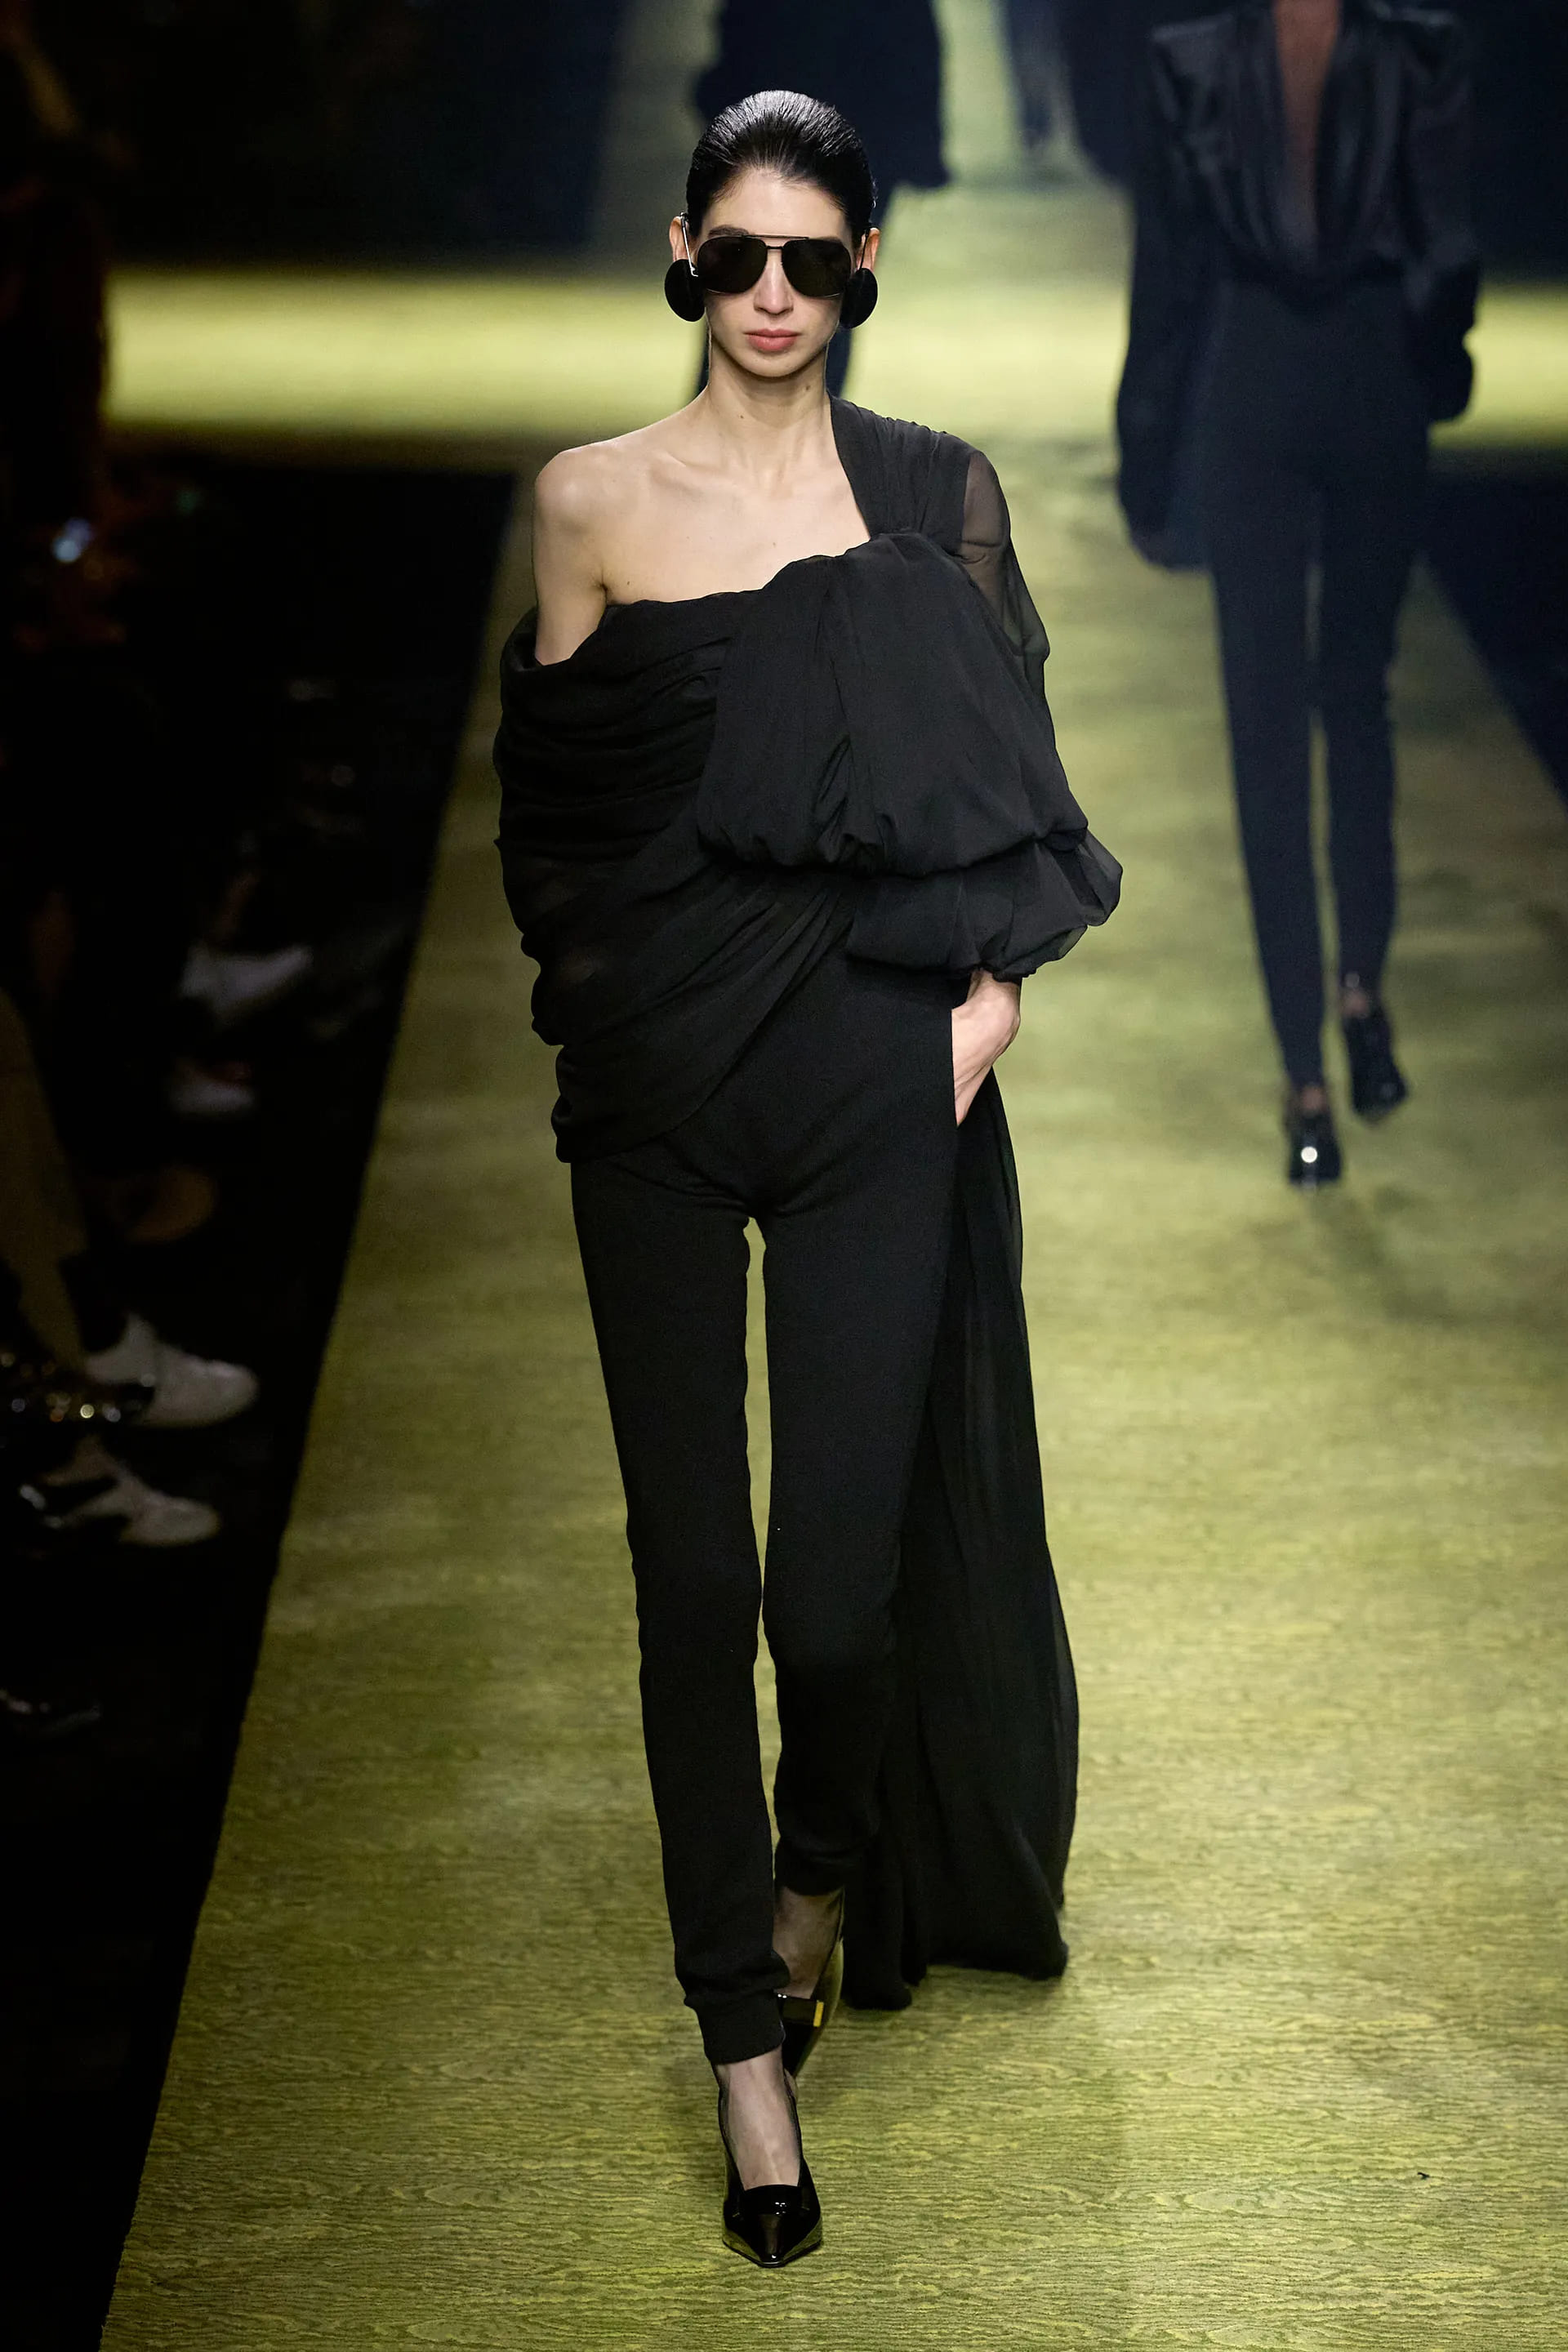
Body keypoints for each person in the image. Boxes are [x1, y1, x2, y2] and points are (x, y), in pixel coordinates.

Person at [494, 91, 1119, 2267]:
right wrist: (618, 1028)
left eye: (815, 261)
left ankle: (822, 1866)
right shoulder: (588, 502)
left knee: (830, 1597)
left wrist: (976, 1022)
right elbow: (554, 833)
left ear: (863, 273)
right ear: (685, 253)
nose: (776, 295)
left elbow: (1021, 800)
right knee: (690, 1580)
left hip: (870, 1084)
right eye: (741, 255)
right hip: (661, 1105)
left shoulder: (938, 499)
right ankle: (742, 2048)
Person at [1116, 0, 1478, 1185]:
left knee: (1273, 729)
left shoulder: (1198, 62)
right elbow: (1447, 244)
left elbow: (1169, 273)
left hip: (1258, 385)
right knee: (1347, 700)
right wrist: (1436, 364)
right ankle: (1353, 1005)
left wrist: (1147, 448)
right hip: (1364, 383)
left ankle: (1311, 1076)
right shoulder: (1413, 49)